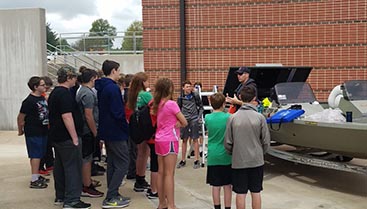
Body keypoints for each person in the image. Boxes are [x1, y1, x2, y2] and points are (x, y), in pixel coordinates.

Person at [48, 67, 91, 208]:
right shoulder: (64, 94)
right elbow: (67, 116)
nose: (76, 80)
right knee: (73, 168)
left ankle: (60, 196)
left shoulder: (55, 93)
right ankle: (72, 199)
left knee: (60, 167)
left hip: (57, 137)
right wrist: (75, 138)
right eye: (74, 77)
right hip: (67, 138)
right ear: (68, 78)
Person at [224, 87, 270, 209]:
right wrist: (260, 153)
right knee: (256, 192)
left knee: (240, 193)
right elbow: (266, 141)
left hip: (239, 161)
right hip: (256, 160)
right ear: (254, 98)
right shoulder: (260, 118)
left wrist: (234, 153)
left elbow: (228, 142)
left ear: (240, 97)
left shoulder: (232, 118)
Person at [95, 60, 130, 208]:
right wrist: (126, 128)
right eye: (118, 70)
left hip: (107, 130)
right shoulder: (113, 89)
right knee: (123, 162)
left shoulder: (101, 87)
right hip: (116, 131)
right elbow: (118, 112)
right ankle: (111, 196)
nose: (119, 73)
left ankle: (113, 192)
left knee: (112, 162)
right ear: (114, 71)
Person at [152, 78, 187, 209]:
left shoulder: (157, 103)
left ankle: (162, 203)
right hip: (170, 140)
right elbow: (184, 121)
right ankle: (171, 205)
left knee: (161, 172)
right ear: (170, 89)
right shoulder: (171, 104)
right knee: (169, 174)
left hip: (159, 139)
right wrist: (178, 123)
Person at [76, 68, 104, 198]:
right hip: (87, 131)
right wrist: (95, 132)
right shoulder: (87, 93)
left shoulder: (81, 90)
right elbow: (88, 115)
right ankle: (86, 186)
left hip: (84, 130)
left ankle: (86, 181)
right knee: (87, 158)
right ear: (93, 78)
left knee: (87, 157)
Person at [17, 76, 49, 189]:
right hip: (33, 131)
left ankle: (37, 175)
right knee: (35, 155)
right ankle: (34, 179)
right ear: (35, 87)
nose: (45, 86)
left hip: (43, 130)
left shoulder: (41, 98)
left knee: (40, 154)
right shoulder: (28, 101)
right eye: (42, 85)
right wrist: (20, 130)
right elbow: (20, 117)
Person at [205, 93, 232, 209]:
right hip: (226, 154)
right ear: (223, 104)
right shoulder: (228, 117)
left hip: (212, 154)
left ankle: (217, 207)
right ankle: (228, 207)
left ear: (211, 104)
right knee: (227, 185)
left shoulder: (208, 118)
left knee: (215, 185)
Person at [127, 72, 152, 192]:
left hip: (135, 126)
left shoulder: (132, 94)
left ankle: (139, 178)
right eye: (147, 81)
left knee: (139, 153)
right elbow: (155, 104)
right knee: (144, 153)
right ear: (143, 82)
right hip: (144, 126)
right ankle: (141, 179)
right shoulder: (145, 95)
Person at [176, 80, 203, 169]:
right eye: (187, 87)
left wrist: (198, 117)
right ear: (183, 88)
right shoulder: (180, 98)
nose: (189, 88)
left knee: (195, 139)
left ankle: (196, 159)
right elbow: (178, 109)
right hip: (184, 120)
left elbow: (201, 107)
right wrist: (180, 120)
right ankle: (183, 160)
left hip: (194, 119)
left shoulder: (195, 96)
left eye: (190, 86)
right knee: (184, 139)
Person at [39, 76, 55, 175]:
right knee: (43, 147)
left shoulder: (44, 96)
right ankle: (41, 166)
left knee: (48, 146)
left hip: (48, 125)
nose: (46, 89)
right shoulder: (41, 97)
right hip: (43, 125)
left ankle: (49, 164)